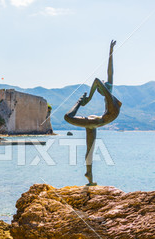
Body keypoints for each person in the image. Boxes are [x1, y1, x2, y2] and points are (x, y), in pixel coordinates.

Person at [64, 40, 122, 186]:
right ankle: (89, 176)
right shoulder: (109, 97)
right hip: (96, 121)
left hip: (100, 120)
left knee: (69, 119)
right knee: (90, 149)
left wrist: (110, 51)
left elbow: (106, 74)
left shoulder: (109, 91)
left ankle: (89, 175)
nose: (103, 82)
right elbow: (100, 80)